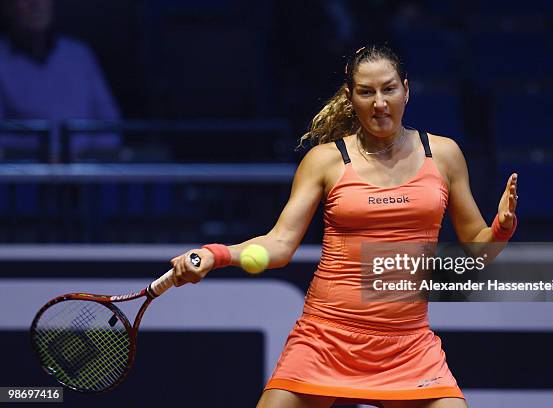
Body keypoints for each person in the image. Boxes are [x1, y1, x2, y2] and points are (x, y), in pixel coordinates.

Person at [170, 45, 518, 408]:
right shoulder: (325, 161)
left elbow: (479, 249)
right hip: (326, 338)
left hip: (407, 346)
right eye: (366, 92)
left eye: (389, 89)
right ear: (351, 97)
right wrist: (216, 254)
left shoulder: (443, 154)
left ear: (406, 90)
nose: (379, 102)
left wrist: (501, 229)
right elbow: (280, 243)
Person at [0, 0, 120, 162]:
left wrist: (84, 157)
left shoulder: (79, 54)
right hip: (24, 176)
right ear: (7, 6)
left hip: (86, 173)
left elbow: (109, 123)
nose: (36, 4)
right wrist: (45, 156)